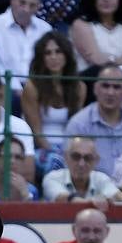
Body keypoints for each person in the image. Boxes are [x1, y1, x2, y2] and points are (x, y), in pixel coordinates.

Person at [64, 64, 122, 176]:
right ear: (95, 89)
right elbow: (70, 168)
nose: (110, 92)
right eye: (105, 86)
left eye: (116, 87)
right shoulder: (79, 124)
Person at [20, 30, 85, 170]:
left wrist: (71, 153)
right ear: (41, 57)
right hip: (41, 148)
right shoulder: (32, 87)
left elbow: (76, 129)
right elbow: (36, 132)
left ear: (66, 55)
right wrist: (58, 154)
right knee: (55, 162)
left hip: (69, 147)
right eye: (48, 53)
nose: (53, 57)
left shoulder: (79, 87)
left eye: (58, 52)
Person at [0, 0, 51, 89]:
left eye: (32, 5)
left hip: (38, 91)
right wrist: (18, 90)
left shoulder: (45, 29)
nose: (26, 9)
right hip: (5, 90)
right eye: (22, 3)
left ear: (38, 6)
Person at [42, 134, 122, 205]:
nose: (81, 164)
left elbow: (117, 196)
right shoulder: (52, 177)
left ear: (96, 160)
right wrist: (93, 202)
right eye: (76, 157)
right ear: (66, 157)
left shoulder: (101, 178)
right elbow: (62, 198)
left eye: (88, 158)